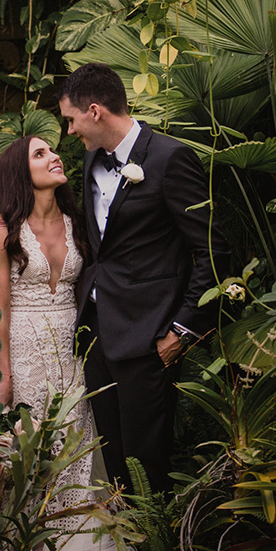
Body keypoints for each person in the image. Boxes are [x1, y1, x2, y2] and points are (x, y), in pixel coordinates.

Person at [58, 62, 228, 494]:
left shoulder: (171, 159)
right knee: (113, 458)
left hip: (149, 337)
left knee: (146, 463)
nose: (70, 132)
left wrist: (182, 330)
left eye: (71, 120)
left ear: (95, 111)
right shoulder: (90, 161)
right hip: (98, 333)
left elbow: (213, 251)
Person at [0, 135, 137, 551]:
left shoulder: (79, 225)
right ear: (18, 171)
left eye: (53, 149)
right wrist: (3, 375)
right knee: (34, 458)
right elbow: (0, 310)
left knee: (76, 453)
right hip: (26, 352)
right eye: (40, 153)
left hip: (72, 355)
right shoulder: (4, 230)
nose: (54, 156)